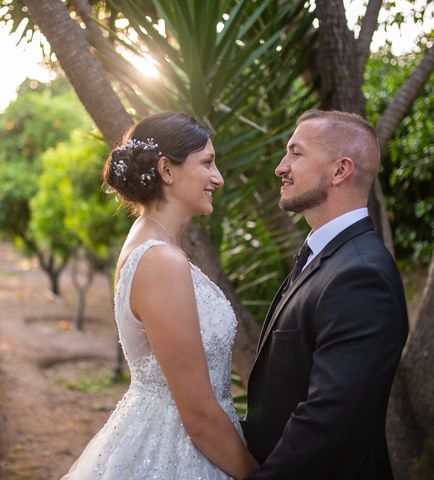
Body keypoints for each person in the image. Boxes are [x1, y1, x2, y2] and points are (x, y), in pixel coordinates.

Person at [61, 112, 258, 479]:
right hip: (179, 450)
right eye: (208, 163)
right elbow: (198, 414)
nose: (219, 178)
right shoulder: (161, 260)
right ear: (167, 170)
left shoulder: (149, 242)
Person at [243, 109, 409, 479]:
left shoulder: (361, 275)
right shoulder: (324, 259)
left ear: (340, 171)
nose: (280, 167)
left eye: (296, 153)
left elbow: (331, 420)